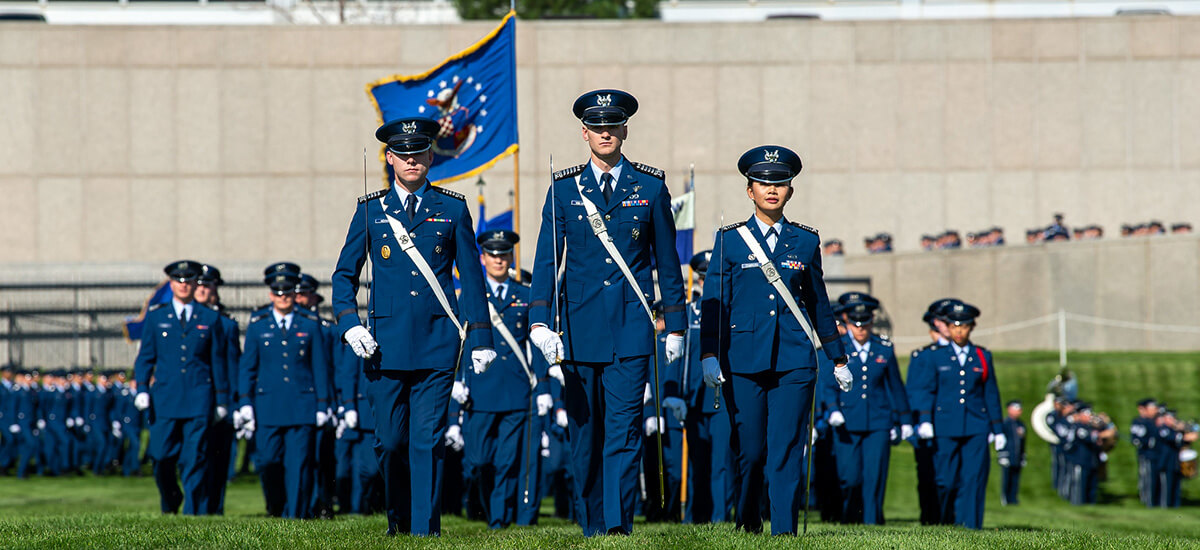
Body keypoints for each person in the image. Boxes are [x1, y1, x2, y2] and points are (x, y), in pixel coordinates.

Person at [527, 89, 687, 536]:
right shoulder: (563, 189)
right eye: (597, 127)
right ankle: (592, 522)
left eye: (612, 125)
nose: (605, 133)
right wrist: (540, 321)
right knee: (584, 435)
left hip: (631, 328)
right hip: (577, 331)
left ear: (624, 131)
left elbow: (668, 264)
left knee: (624, 430)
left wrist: (675, 324)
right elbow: (545, 261)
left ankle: (616, 526)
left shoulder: (651, 187)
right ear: (585, 133)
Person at [331, 116, 495, 537]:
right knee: (390, 442)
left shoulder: (453, 209)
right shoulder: (370, 211)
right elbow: (343, 276)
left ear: (429, 156)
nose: (411, 160)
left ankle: (425, 530)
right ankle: (398, 519)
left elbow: (472, 280)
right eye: (402, 154)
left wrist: (480, 337)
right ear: (389, 159)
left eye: (419, 152)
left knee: (427, 440)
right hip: (382, 347)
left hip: (437, 344)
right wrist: (350, 324)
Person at [699, 145, 848, 535]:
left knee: (786, 449)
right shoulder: (730, 241)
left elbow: (819, 303)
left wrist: (838, 356)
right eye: (763, 183)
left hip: (794, 359)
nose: (771, 189)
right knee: (749, 451)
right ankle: (748, 521)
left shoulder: (805, 241)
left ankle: (784, 530)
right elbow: (716, 303)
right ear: (749, 190)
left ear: (790, 191)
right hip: (743, 360)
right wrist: (709, 354)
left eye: (779, 183)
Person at [453, 229, 550, 529]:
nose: (499, 260)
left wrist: (544, 387)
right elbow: (455, 341)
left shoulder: (525, 295)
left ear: (511, 257)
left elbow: (537, 343)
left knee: (509, 461)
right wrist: (455, 379)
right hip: (479, 392)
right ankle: (487, 508)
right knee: (479, 462)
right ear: (482, 258)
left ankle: (499, 520)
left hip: (515, 389)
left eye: (504, 254)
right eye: (493, 255)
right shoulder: (469, 296)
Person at [133, 260, 231, 515]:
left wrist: (221, 400)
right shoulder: (157, 317)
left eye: (189, 281)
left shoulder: (210, 318)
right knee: (161, 455)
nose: (184, 285)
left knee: (194, 458)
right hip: (165, 398)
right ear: (171, 283)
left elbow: (217, 361)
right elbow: (146, 357)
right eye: (178, 280)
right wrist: (142, 387)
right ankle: (171, 497)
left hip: (199, 397)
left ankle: (192, 512)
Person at [236, 270, 330, 518]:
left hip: (302, 404)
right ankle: (276, 507)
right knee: (268, 461)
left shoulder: (309, 325)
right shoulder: (258, 326)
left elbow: (320, 367)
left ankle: (296, 514)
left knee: (299, 465)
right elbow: (248, 367)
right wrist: (245, 401)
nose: (283, 297)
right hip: (268, 406)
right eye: (278, 294)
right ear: (271, 296)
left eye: (288, 293)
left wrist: (323, 404)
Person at [908, 300, 1002, 530]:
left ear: (972, 327)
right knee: (945, 479)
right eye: (954, 326)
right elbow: (927, 390)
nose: (959, 331)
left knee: (973, 479)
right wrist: (925, 420)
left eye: (964, 326)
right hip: (944, 424)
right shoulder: (934, 356)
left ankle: (970, 526)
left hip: (976, 424)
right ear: (947, 328)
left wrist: (997, 428)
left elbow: (990, 393)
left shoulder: (982, 355)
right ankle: (943, 521)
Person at [822, 298, 908, 525]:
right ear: (848, 322)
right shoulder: (839, 347)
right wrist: (832, 409)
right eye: (856, 324)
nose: (860, 329)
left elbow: (895, 386)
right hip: (847, 421)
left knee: (875, 476)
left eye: (865, 323)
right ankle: (849, 519)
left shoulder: (884, 348)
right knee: (849, 477)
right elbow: (828, 384)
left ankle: (872, 522)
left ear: (871, 322)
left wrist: (903, 420)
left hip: (878, 421)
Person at [666, 250, 734, 524]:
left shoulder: (732, 313)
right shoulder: (689, 313)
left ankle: (720, 519)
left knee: (722, 464)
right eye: (705, 278)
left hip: (722, 400)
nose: (709, 284)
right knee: (695, 463)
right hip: (693, 400)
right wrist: (673, 395)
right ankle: (694, 516)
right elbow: (677, 358)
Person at [194, 264, 241, 514]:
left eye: (207, 284)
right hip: (193, 398)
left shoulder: (226, 324)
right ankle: (194, 507)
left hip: (220, 400)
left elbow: (234, 365)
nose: (202, 289)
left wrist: (234, 403)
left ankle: (214, 508)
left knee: (218, 457)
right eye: (198, 284)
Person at [1130, 398, 1159, 506]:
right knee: (1148, 478)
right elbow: (1137, 440)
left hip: (1157, 455)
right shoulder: (1139, 422)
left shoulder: (1155, 421)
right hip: (1147, 454)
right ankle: (1148, 501)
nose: (1155, 411)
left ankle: (1156, 501)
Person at [997, 400, 1026, 505]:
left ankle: (1013, 498)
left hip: (1017, 456)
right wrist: (1002, 455)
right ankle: (1005, 498)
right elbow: (1002, 440)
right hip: (1008, 455)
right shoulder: (1005, 423)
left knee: (1015, 479)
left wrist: (1023, 456)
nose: (1019, 411)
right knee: (1006, 478)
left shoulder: (1021, 424)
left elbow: (1023, 442)